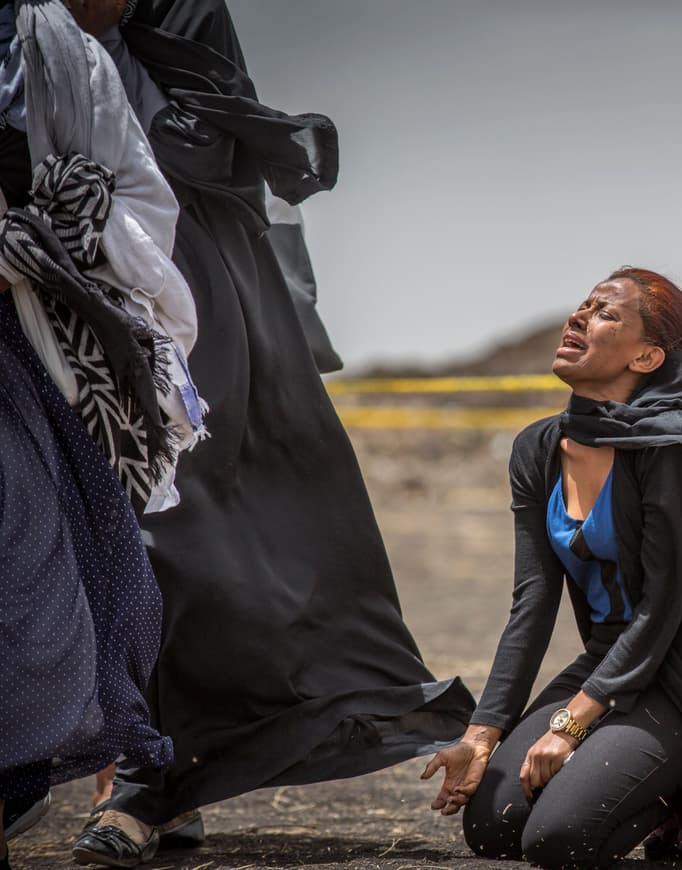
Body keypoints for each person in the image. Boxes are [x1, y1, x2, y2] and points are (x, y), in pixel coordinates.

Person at [64, 2, 475, 865]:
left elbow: (217, 143)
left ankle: (150, 779)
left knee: (174, 534)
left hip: (184, 290)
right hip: (44, 282)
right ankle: (148, 773)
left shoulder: (177, 13)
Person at [422, 268, 682, 869]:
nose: (579, 317)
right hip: (611, 663)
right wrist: (481, 735)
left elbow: (664, 606)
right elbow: (532, 603)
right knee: (494, 827)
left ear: (646, 355)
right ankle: (646, 777)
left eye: (606, 313)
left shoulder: (669, 449)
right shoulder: (537, 450)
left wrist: (570, 724)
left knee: (558, 842)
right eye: (583, 305)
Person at [1, 0, 191, 863]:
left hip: (31, 344)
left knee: (46, 571)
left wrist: (37, 247)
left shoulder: (60, 57)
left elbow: (136, 195)